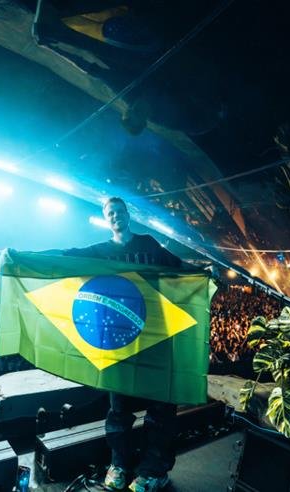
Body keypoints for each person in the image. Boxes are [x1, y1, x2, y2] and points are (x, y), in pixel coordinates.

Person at [63, 197, 181, 492]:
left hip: (155, 337)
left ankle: (152, 472)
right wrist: (21, 257)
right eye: (110, 213)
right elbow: (67, 256)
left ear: (128, 215)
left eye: (119, 211)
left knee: (160, 407)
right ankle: (119, 465)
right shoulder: (100, 251)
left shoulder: (148, 244)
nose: (115, 216)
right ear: (107, 219)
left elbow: (179, 267)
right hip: (120, 341)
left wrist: (207, 272)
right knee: (119, 409)